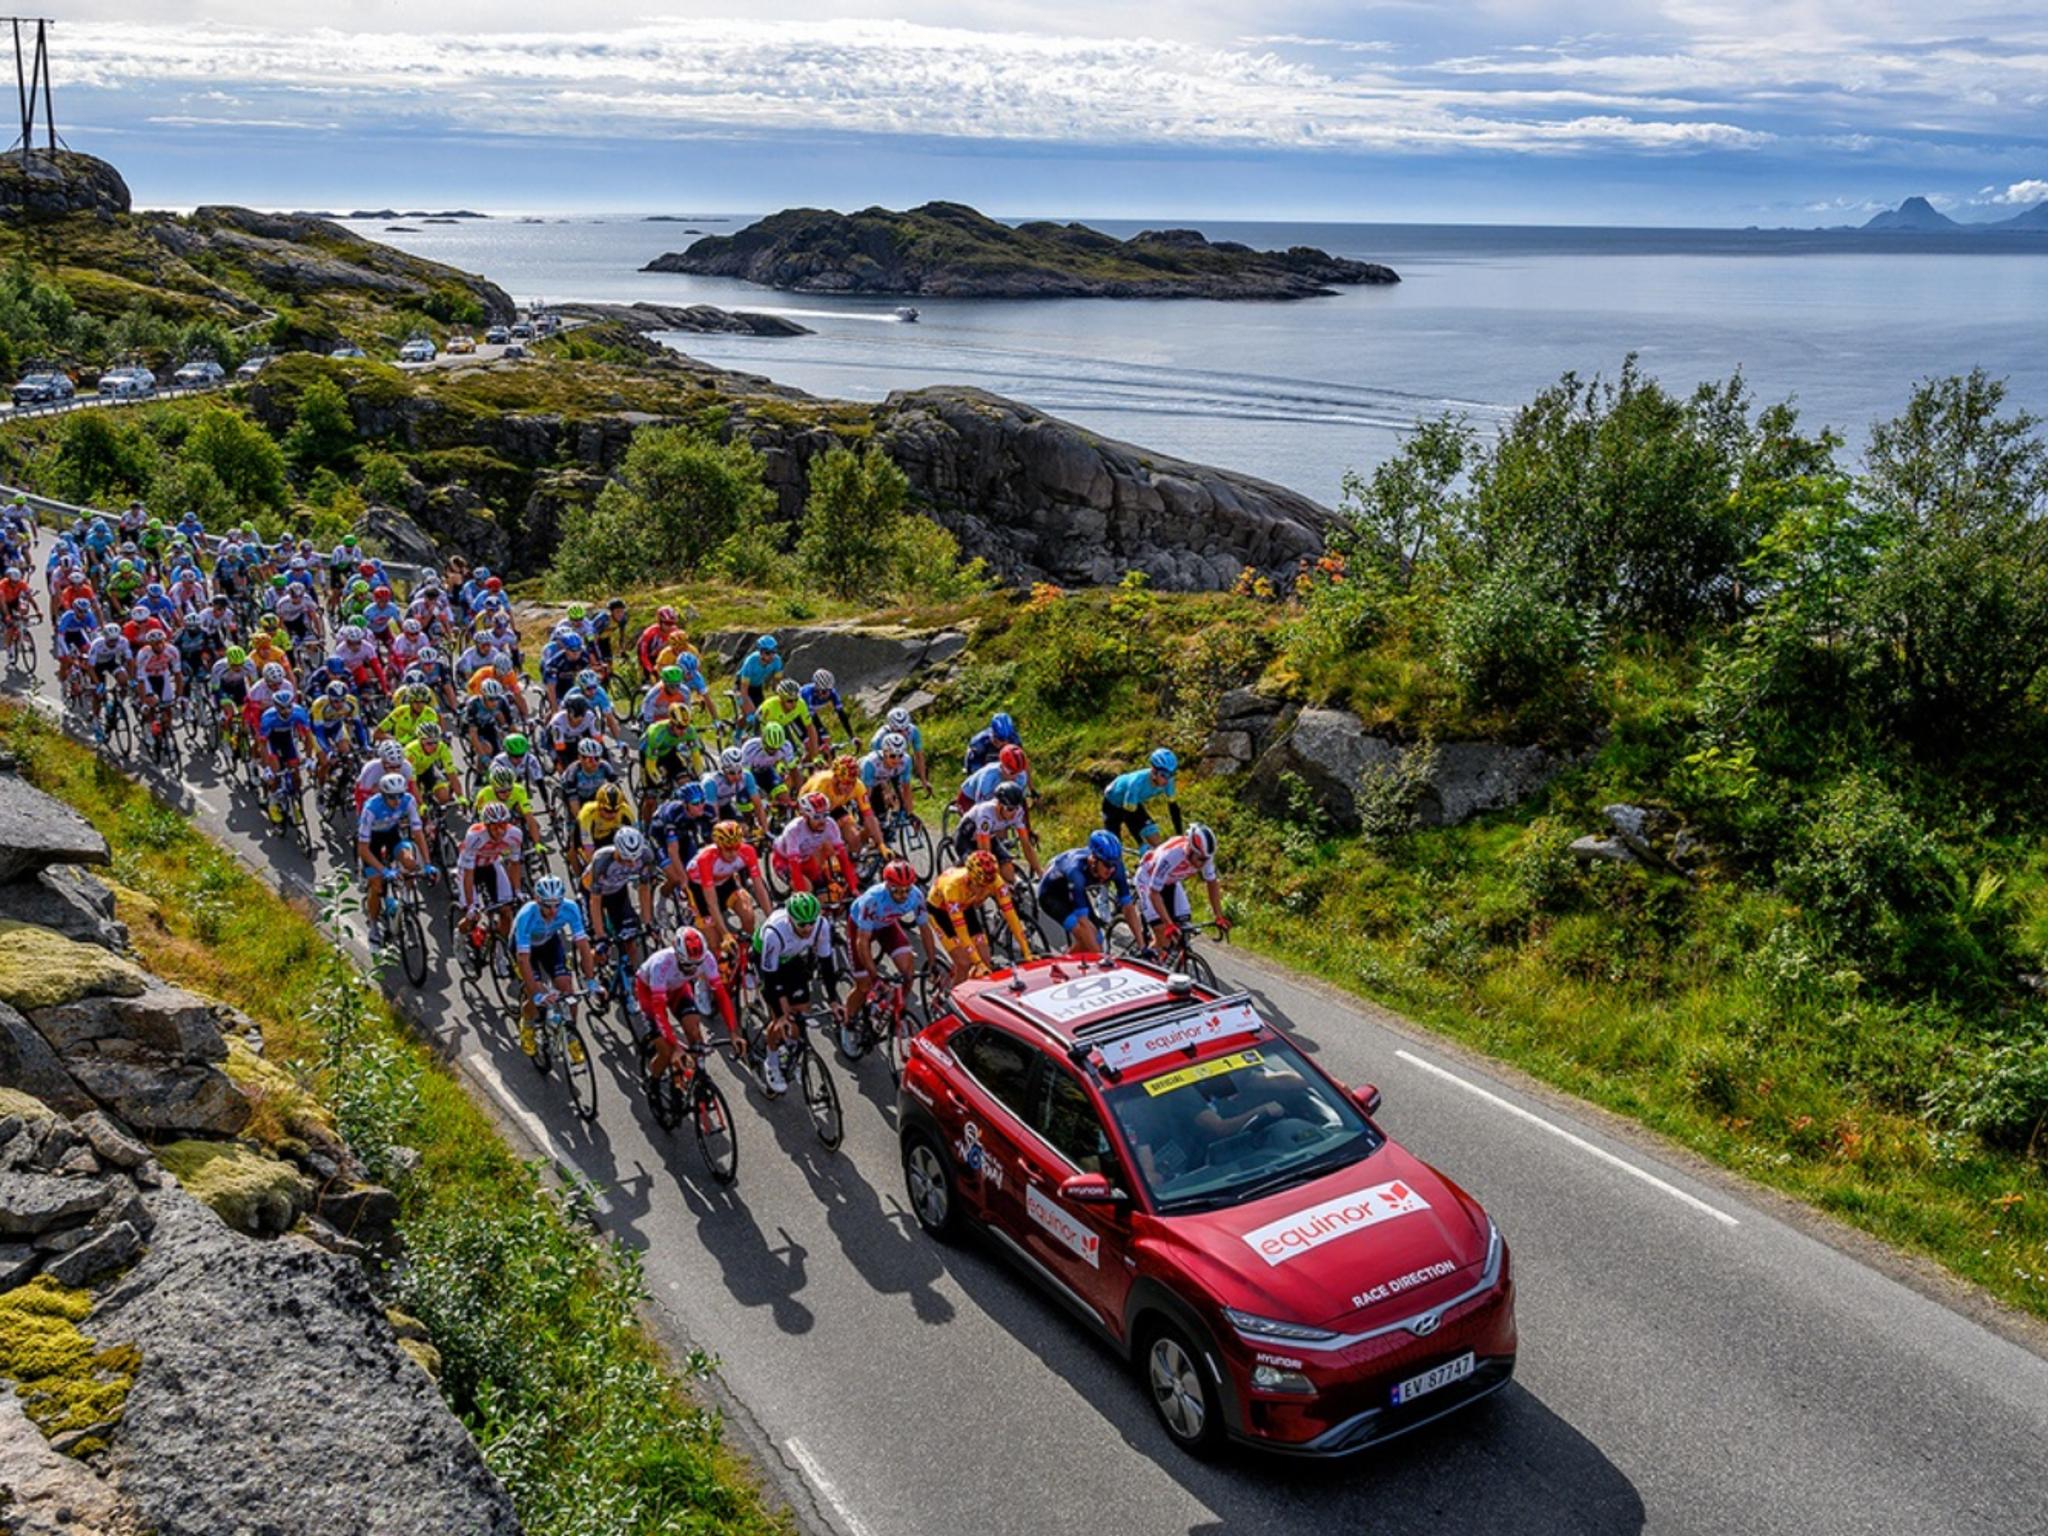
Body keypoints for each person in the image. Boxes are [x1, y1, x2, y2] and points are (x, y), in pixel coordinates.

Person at [754, 892, 838, 1094]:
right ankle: (771, 1062)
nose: (808, 928)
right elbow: (771, 978)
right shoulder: (775, 932)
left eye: (811, 922)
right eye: (802, 925)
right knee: (782, 1017)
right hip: (767, 964)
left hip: (790, 959)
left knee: (802, 1011)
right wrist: (781, 1012)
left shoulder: (821, 925)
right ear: (790, 919)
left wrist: (834, 1000)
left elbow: (827, 964)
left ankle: (790, 1050)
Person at [633, 926, 734, 1087]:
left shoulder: (707, 958)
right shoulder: (661, 964)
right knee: (667, 1052)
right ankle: (653, 1083)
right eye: (687, 965)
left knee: (695, 1035)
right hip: (649, 992)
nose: (692, 970)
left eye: (696, 965)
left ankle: (694, 1080)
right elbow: (659, 1012)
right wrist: (675, 1047)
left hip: (678, 988)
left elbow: (721, 995)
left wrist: (733, 1032)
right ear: (677, 954)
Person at [512, 875, 597, 1058]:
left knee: (568, 990)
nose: (553, 911)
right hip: (526, 952)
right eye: (547, 905)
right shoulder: (527, 916)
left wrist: (591, 981)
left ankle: (570, 1034)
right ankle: (527, 1023)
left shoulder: (570, 908)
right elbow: (523, 960)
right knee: (537, 992)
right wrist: (536, 994)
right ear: (537, 900)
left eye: (557, 904)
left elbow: (583, 946)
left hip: (550, 942)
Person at [927, 850, 1034, 985]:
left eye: (987, 886)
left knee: (986, 960)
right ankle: (951, 1000)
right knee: (964, 963)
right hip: (940, 912)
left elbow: (1011, 916)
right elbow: (962, 932)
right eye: (980, 886)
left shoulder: (995, 881)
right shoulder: (953, 887)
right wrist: (977, 962)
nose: (984, 891)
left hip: (965, 906)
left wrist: (1026, 951)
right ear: (970, 878)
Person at [843, 859, 927, 1026]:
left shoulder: (916, 895)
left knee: (908, 973)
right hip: (861, 929)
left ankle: (895, 1010)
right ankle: (848, 1021)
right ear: (888, 886)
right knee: (864, 986)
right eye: (897, 891)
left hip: (887, 925)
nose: (903, 895)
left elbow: (925, 929)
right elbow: (863, 941)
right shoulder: (872, 899)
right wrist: (874, 975)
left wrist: (932, 963)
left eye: (907, 890)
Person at [1036, 831, 1142, 955]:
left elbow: (1128, 907)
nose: (1111, 869)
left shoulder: (1115, 868)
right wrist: (1100, 957)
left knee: (1097, 939)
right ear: (1093, 860)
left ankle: (1069, 959)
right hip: (1051, 895)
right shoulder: (1076, 872)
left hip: (1073, 891)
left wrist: (1142, 946)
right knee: (1089, 941)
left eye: (1115, 863)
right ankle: (1061, 966)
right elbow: (1083, 922)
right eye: (1107, 864)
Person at [355, 770, 427, 945]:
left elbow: (417, 833)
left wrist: (428, 863)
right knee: (377, 884)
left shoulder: (408, 800)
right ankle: (373, 924)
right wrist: (383, 870)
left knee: (410, 862)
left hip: (392, 835)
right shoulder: (371, 808)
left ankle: (405, 900)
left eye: (400, 796)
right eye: (392, 797)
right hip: (371, 842)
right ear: (383, 795)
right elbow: (363, 849)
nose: (397, 801)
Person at [1134, 824, 1229, 953]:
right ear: (1190, 850)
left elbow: (1212, 883)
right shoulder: (1171, 855)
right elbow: (1154, 893)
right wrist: (1168, 924)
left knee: (1184, 930)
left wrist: (1219, 916)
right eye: (1201, 859)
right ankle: (1148, 960)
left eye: (1207, 859)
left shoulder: (1204, 855)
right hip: (1147, 880)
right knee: (1162, 934)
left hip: (1171, 882)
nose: (1204, 863)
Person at [685, 819, 770, 950]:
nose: (734, 853)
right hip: (699, 891)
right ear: (719, 847)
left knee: (748, 917)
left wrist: (771, 918)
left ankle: (747, 952)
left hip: (726, 882)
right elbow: (711, 902)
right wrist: (725, 934)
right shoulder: (706, 859)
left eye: (737, 847)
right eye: (728, 849)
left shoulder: (747, 851)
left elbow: (760, 888)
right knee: (715, 943)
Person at [456, 801, 525, 945]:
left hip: (491, 864)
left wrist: (517, 891)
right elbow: (469, 874)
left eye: (503, 825)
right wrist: (470, 906)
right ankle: (459, 938)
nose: (500, 831)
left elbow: (515, 864)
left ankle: (499, 947)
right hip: (469, 869)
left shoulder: (515, 834)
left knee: (506, 911)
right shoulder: (475, 836)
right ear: (486, 826)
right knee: (472, 917)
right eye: (494, 827)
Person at [771, 792, 859, 896]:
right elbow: (795, 868)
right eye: (817, 817)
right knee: (807, 891)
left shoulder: (830, 824)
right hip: (785, 861)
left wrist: (853, 888)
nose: (822, 821)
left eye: (825, 815)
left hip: (807, 858)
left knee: (824, 896)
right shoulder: (794, 830)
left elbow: (843, 859)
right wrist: (804, 896)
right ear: (806, 817)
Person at [951, 781, 1039, 879]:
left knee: (1007, 865)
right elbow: (985, 850)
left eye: (1016, 808)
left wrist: (1040, 873)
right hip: (966, 839)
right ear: (999, 805)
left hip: (989, 837)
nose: (1014, 813)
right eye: (1010, 809)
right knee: (978, 870)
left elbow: (1026, 845)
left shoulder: (1017, 813)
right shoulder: (986, 813)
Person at [1100, 748, 1183, 849]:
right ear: (1154, 772)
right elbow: (1128, 817)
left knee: (1157, 843)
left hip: (1132, 803)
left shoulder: (1168, 781)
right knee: (1114, 848)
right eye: (1164, 775)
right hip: (1112, 804)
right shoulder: (1136, 783)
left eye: (1171, 774)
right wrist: (1141, 844)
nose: (1167, 779)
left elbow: (1173, 808)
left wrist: (1180, 836)